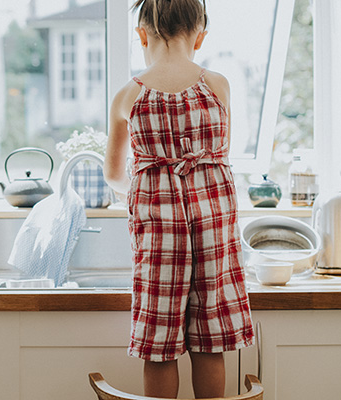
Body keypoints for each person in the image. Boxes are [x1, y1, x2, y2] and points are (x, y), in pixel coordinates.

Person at [103, 0, 254, 398]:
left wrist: (148, 187)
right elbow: (219, 157)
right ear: (199, 37)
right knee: (209, 341)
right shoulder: (217, 86)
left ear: (142, 36)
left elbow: (114, 175)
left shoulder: (128, 95)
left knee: (159, 345)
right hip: (212, 227)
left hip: (159, 234)